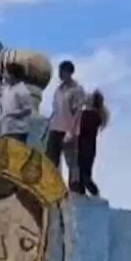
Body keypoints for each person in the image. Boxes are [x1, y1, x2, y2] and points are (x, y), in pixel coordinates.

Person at [46, 59, 85, 188]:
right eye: (59, 72)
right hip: (55, 127)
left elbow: (78, 112)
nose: (60, 75)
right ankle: (53, 186)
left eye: (62, 72)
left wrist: (72, 132)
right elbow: (55, 109)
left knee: (71, 161)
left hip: (69, 130)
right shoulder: (58, 90)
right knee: (51, 158)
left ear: (69, 72)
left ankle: (74, 188)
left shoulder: (76, 90)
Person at [77, 89, 110, 197]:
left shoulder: (90, 115)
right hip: (88, 148)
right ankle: (83, 195)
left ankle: (95, 193)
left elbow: (80, 127)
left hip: (85, 148)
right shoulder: (95, 116)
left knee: (84, 175)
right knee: (82, 175)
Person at [0, 62, 34, 143]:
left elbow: (28, 110)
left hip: (18, 130)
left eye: (6, 73)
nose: (4, 76)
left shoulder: (22, 90)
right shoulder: (7, 89)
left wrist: (12, 114)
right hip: (6, 129)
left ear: (13, 75)